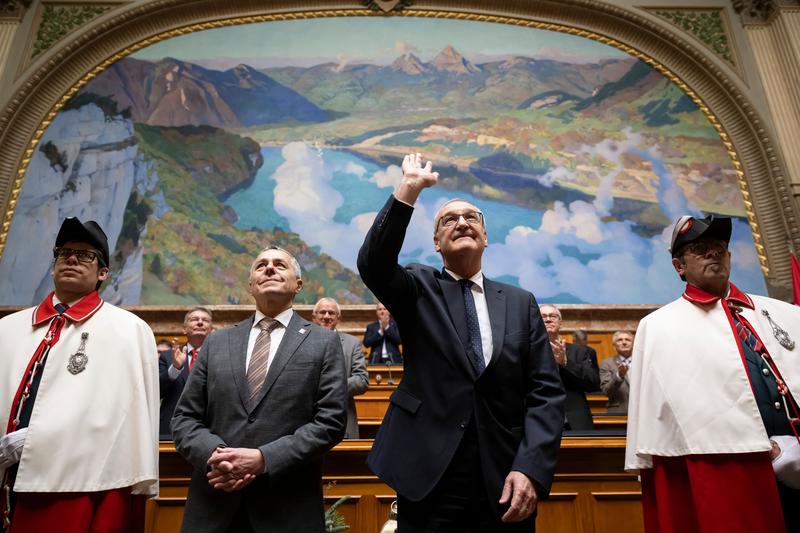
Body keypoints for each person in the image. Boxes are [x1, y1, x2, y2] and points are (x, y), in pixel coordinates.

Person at [358, 153, 565, 531]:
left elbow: (545, 392)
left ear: (486, 237)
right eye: (449, 220)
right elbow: (374, 263)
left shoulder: (520, 302)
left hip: (505, 475)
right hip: (429, 472)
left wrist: (531, 468)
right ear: (437, 242)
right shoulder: (418, 288)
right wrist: (409, 189)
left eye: (472, 218)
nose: (462, 222)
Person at [626, 215, 800, 533]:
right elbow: (663, 418)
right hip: (729, 468)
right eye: (701, 248)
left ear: (730, 257)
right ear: (680, 266)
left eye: (719, 247)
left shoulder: (783, 313)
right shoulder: (660, 327)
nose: (713, 254)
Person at [171, 246, 347, 533]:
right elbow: (184, 419)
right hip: (215, 503)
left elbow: (330, 422)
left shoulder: (323, 343)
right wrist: (217, 456)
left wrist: (263, 459)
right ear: (251, 284)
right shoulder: (216, 343)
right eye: (260, 265)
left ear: (298, 285)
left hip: (287, 507)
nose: (269, 268)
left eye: (280, 264)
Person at [0, 217, 159, 532]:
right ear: (53, 266)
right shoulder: (7, 328)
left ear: (103, 273)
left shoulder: (128, 331)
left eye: (86, 255)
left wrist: (39, 439)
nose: (71, 258)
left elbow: (125, 421)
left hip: (78, 486)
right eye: (64, 252)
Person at [312, 297, 369, 439]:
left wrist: (330, 387)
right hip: (307, 424)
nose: (326, 317)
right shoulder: (300, 342)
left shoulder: (352, 343)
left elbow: (361, 380)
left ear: (338, 318)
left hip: (342, 423)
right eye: (322, 312)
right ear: (314, 317)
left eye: (331, 313)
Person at [540, 304, 599, 430]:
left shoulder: (580, 352)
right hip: (538, 421)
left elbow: (592, 384)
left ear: (560, 323)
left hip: (574, 421)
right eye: (543, 316)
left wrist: (565, 363)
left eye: (553, 316)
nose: (548, 319)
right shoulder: (526, 351)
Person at [159, 307, 213, 439]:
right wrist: (175, 368)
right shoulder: (167, 356)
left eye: (205, 320)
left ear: (211, 329)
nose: (200, 322)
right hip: (171, 429)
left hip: (210, 432)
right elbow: (156, 391)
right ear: (184, 329)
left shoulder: (223, 357)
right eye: (194, 319)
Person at [599, 331, 633, 414]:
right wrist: (619, 376)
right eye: (620, 340)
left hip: (641, 412)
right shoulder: (607, 363)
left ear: (633, 344)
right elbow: (606, 391)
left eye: (627, 340)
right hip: (618, 411)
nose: (624, 342)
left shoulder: (643, 362)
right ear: (614, 345)